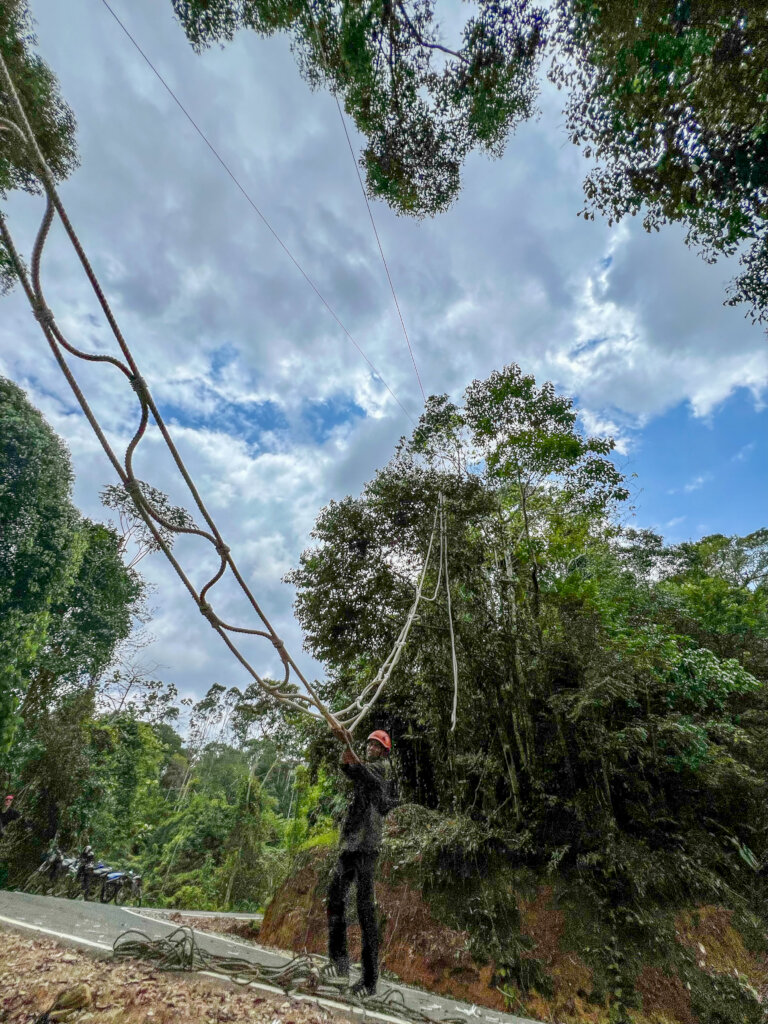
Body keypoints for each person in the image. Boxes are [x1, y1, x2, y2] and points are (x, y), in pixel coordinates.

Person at [325, 729, 398, 998]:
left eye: (376, 746)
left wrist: (350, 751)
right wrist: (345, 750)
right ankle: (339, 963)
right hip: (351, 844)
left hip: (367, 847)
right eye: (369, 744)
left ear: (384, 752)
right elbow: (350, 769)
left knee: (365, 911)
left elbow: (364, 774)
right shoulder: (366, 767)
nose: (371, 748)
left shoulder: (383, 769)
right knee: (334, 898)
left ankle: (369, 981)